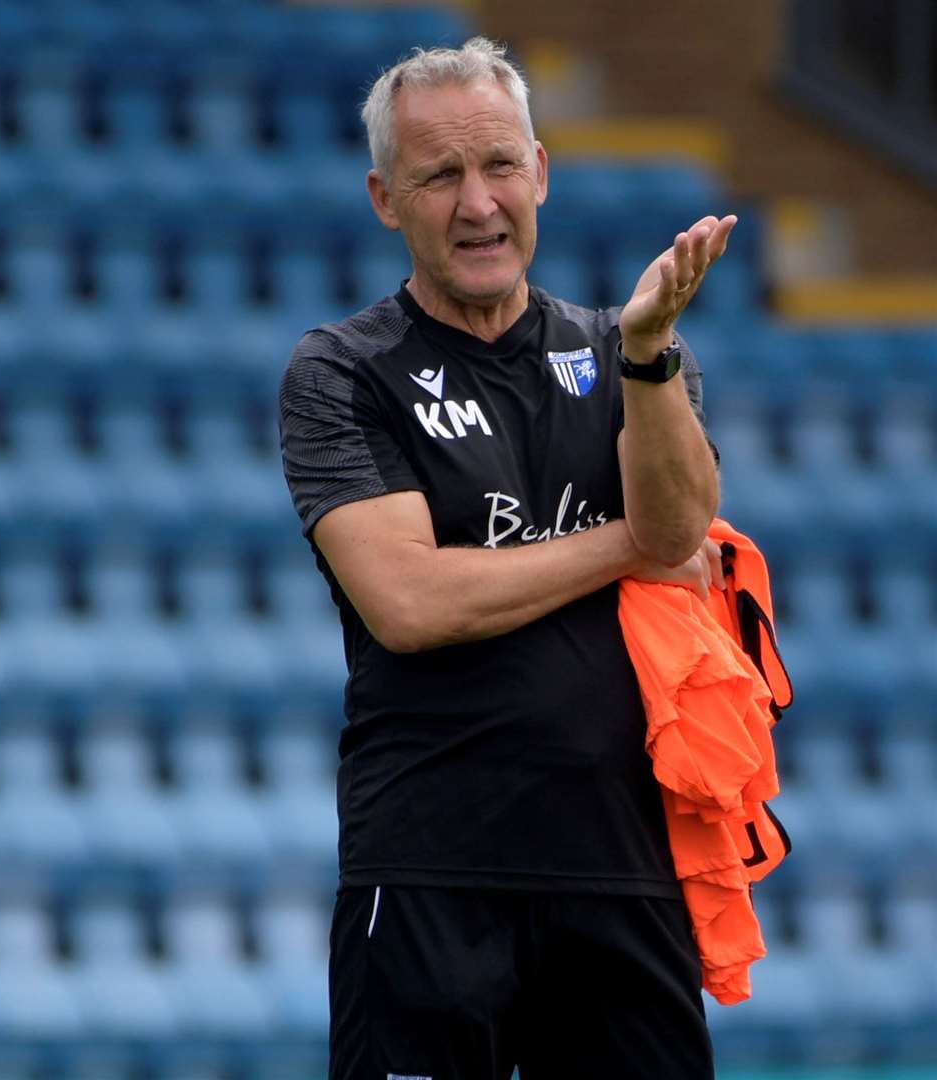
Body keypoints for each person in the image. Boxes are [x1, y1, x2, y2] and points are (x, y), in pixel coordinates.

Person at [277, 38, 734, 1079]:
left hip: (623, 868)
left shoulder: (632, 349)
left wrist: (651, 354)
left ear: (541, 172)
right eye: (439, 176)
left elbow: (689, 519)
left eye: (498, 168)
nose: (478, 204)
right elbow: (411, 601)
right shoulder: (342, 371)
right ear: (385, 198)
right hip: (433, 868)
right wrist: (631, 547)